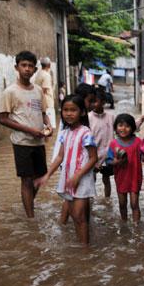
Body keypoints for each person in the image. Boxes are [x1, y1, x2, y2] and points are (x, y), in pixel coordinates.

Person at [35, 95, 97, 244]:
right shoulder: (64, 133)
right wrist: (47, 175)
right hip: (68, 177)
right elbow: (59, 157)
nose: (69, 113)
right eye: (65, 110)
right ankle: (82, 245)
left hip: (81, 179)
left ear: (82, 112)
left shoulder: (86, 133)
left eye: (73, 110)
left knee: (79, 216)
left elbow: (94, 158)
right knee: (76, 217)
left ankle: (85, 250)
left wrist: (78, 176)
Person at [0, 50, 53, 218]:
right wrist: (30, 130)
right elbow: (3, 119)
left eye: (30, 66)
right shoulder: (10, 92)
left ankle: (27, 205)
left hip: (39, 143)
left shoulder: (38, 90)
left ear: (35, 69)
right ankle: (30, 218)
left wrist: (49, 126)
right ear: (17, 67)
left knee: (39, 179)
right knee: (27, 180)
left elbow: (43, 113)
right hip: (22, 142)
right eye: (24, 65)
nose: (27, 69)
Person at [53, 83, 96, 225]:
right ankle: (65, 224)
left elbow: (92, 155)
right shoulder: (69, 125)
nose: (92, 105)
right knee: (72, 202)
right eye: (90, 101)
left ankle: (73, 228)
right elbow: (62, 151)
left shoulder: (83, 129)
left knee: (78, 208)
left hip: (78, 165)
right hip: (69, 163)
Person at [107, 113, 143, 224]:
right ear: (116, 128)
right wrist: (116, 162)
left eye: (127, 126)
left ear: (132, 128)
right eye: (120, 125)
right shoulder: (113, 144)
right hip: (121, 178)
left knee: (134, 204)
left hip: (135, 177)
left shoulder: (138, 142)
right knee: (122, 204)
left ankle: (136, 226)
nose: (123, 128)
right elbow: (108, 161)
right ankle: (124, 224)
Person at [88, 91, 115, 197]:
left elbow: (121, 128)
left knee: (106, 180)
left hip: (107, 156)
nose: (93, 104)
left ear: (103, 102)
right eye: (92, 102)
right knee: (91, 180)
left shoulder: (110, 117)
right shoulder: (88, 117)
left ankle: (107, 201)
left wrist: (138, 122)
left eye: (96, 101)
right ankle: (90, 202)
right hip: (93, 156)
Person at [32, 57, 56, 129]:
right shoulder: (46, 75)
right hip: (47, 103)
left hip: (41, 103)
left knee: (44, 127)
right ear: (49, 65)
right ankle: (46, 140)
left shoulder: (39, 73)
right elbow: (44, 90)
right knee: (48, 127)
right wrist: (44, 104)